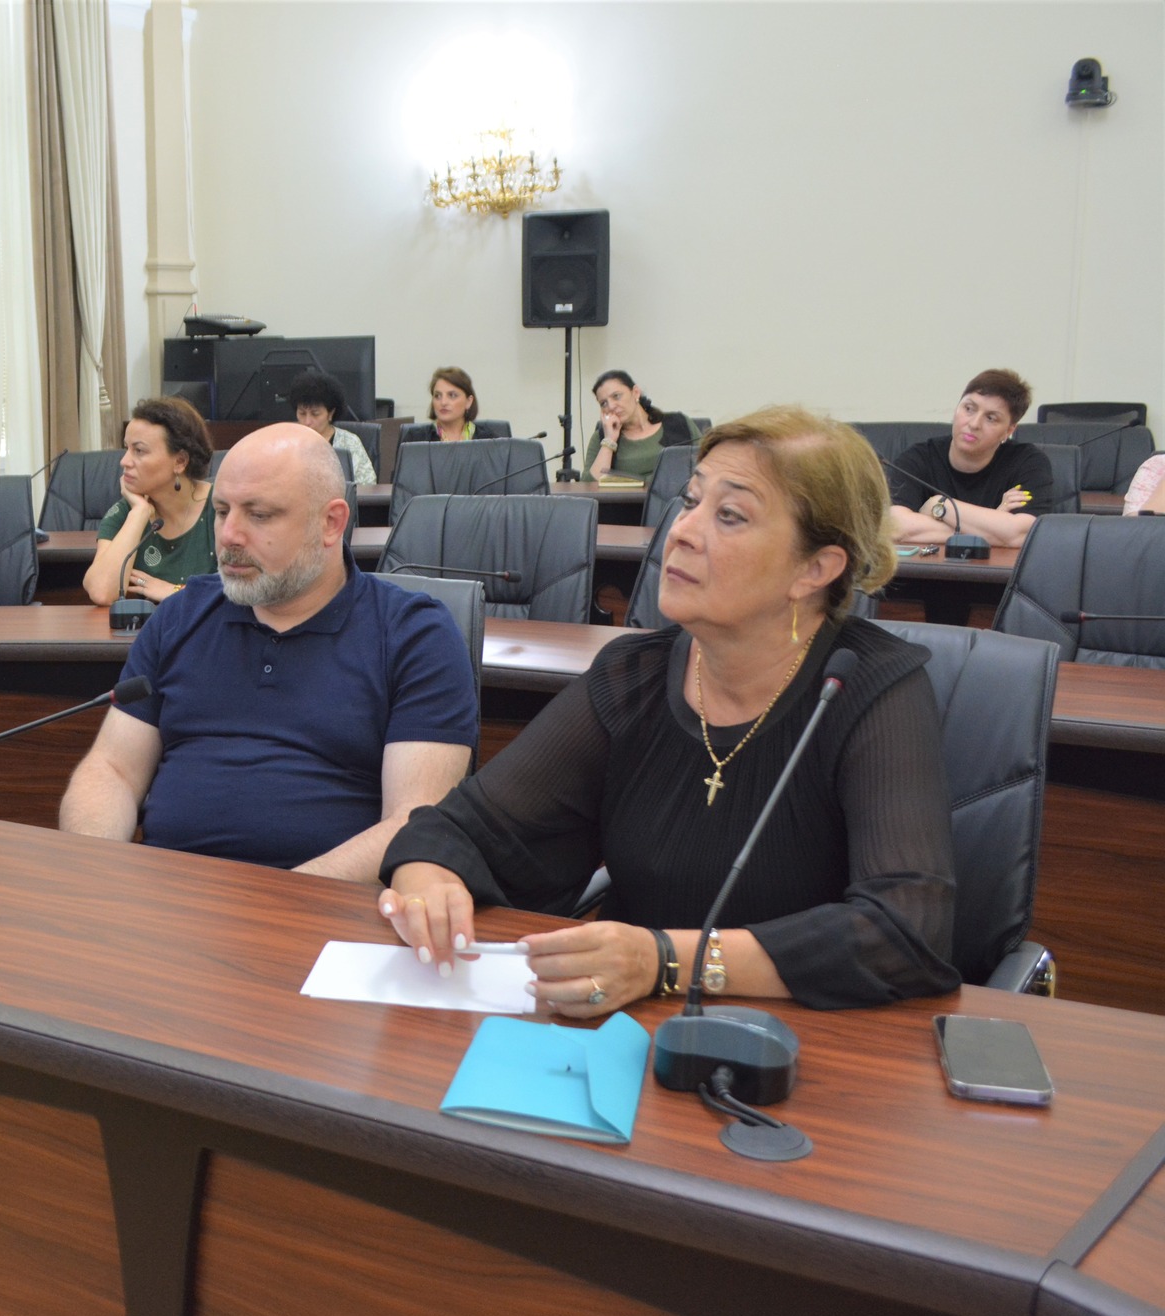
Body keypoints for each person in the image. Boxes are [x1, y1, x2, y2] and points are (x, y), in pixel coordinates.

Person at [379, 407, 959, 1011]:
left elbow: (905, 929)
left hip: (802, 1041)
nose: (680, 531)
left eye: (730, 515)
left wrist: (665, 960)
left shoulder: (870, 689)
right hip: (627, 1025)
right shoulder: (633, 676)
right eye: (691, 500)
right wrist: (428, 876)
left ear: (815, 568)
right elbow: (458, 828)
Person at [61, 423, 477, 879]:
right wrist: (97, 875)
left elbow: (412, 824)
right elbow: (112, 770)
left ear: (331, 523)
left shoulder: (414, 635)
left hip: (324, 907)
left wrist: (273, 903)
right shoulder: (181, 616)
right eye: (221, 511)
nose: (229, 535)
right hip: (170, 897)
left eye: (259, 515)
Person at [887, 370, 1053, 550]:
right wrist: (994, 527)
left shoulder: (1028, 462)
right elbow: (895, 527)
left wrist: (941, 505)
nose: (974, 424)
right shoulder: (918, 458)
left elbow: (1023, 534)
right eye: (969, 409)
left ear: (1009, 431)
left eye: (991, 418)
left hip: (1000, 569)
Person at [83, 397, 219, 606]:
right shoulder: (125, 512)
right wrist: (139, 512)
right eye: (126, 448)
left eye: (139, 451)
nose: (124, 461)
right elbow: (102, 592)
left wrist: (176, 591)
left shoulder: (223, 507)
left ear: (180, 461)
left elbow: (250, 589)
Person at [581, 369, 696, 481]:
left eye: (616, 396)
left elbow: (705, 466)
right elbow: (588, 486)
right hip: (626, 495)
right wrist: (609, 441)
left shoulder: (679, 424)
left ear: (635, 392)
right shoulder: (602, 438)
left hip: (677, 494)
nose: (611, 406)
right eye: (603, 403)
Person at [289, 369, 375, 486]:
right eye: (302, 413)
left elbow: (367, 484)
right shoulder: (287, 442)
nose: (307, 421)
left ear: (330, 413)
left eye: (315, 414)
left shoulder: (349, 442)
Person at [398, 367, 485, 445]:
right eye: (437, 396)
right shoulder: (415, 438)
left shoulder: (487, 438)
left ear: (468, 402)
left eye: (452, 395)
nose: (443, 402)